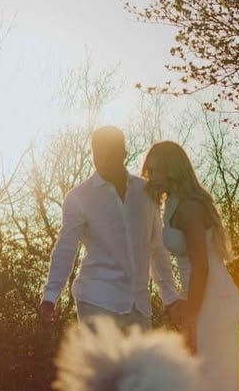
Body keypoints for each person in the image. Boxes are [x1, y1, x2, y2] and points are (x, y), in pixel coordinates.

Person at [142, 140, 239, 391]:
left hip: (214, 299)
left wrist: (190, 316)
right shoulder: (172, 202)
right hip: (207, 296)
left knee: (216, 388)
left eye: (157, 168)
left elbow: (200, 265)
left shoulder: (187, 208)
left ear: (173, 169)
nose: (151, 175)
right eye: (150, 169)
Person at [38, 126, 183, 331]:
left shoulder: (146, 192)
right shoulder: (79, 197)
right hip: (97, 301)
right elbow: (66, 248)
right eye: (98, 153)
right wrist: (51, 295)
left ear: (123, 154)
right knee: (103, 365)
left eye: (110, 153)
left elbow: (157, 247)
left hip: (139, 306)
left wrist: (170, 296)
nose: (103, 160)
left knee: (143, 364)